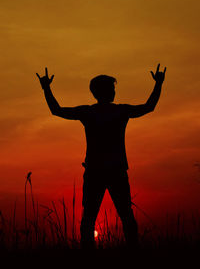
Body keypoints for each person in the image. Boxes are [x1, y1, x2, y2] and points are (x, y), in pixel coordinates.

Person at [36, 64, 166, 249]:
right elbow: (149, 107)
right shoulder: (119, 111)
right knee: (124, 216)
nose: (114, 91)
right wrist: (159, 84)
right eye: (112, 88)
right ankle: (132, 255)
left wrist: (46, 88)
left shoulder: (89, 112)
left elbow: (56, 110)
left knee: (90, 217)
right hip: (113, 170)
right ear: (105, 91)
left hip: (97, 171)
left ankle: (91, 256)